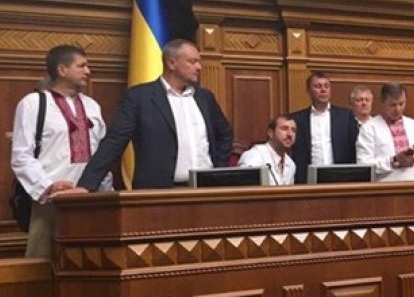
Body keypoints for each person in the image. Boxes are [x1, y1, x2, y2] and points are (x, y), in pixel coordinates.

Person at [76, 39, 233, 190]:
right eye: (192, 62)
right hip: (158, 192)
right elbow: (114, 142)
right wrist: (86, 185)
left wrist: (217, 170)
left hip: (205, 189)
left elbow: (224, 134)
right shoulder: (139, 97)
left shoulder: (204, 97)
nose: (199, 67)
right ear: (171, 63)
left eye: (198, 62)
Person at [11, 45, 113, 258]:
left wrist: (106, 192)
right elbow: (22, 156)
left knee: (92, 262)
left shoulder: (92, 105)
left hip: (91, 199)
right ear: (62, 70)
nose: (88, 71)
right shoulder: (33, 104)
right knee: (43, 264)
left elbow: (101, 154)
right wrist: (48, 187)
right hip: (50, 202)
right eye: (81, 66)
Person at [289, 72, 359, 184]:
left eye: (326, 86)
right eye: (318, 86)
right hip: (308, 179)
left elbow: (355, 148)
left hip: (341, 178)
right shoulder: (297, 119)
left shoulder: (346, 116)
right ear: (308, 91)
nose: (323, 90)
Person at [356, 83, 414, 182]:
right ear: (383, 102)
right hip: (385, 188)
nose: (397, 109)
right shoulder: (369, 128)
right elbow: (363, 166)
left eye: (401, 104)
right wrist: (394, 161)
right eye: (393, 105)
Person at [238, 115, 297, 185]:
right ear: (270, 133)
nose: (290, 134)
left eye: (293, 130)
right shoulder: (255, 155)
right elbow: (244, 188)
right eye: (284, 129)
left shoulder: (291, 164)